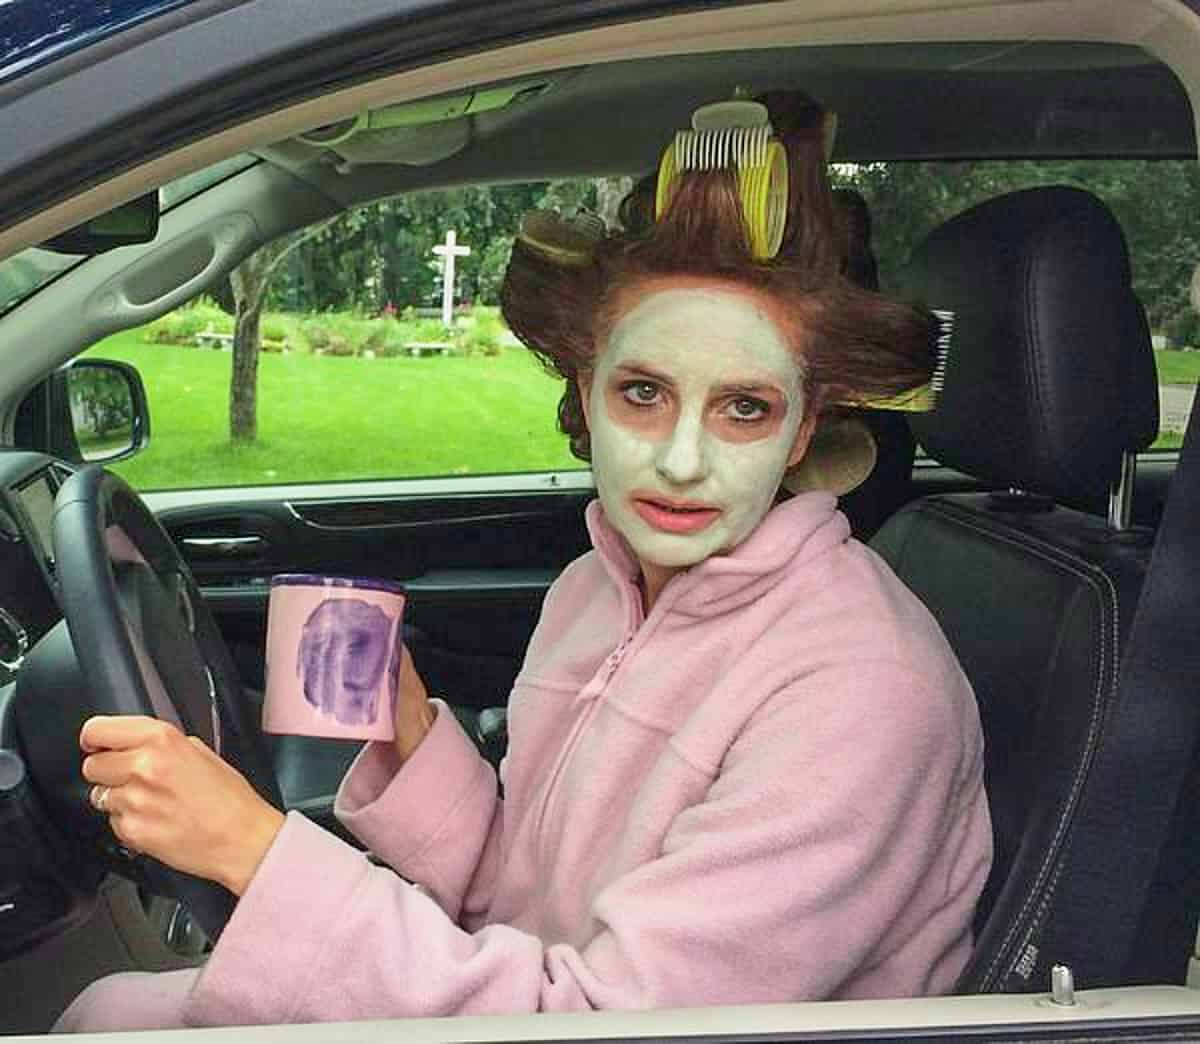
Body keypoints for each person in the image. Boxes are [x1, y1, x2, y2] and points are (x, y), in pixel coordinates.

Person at [56, 98, 991, 1032]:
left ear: (801, 431)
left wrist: (253, 851)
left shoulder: (864, 693)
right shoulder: (597, 587)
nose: (680, 461)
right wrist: (412, 733)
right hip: (530, 1001)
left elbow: (606, 1020)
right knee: (111, 1010)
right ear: (586, 393)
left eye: (744, 408)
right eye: (643, 393)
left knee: (108, 1016)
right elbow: (527, 895)